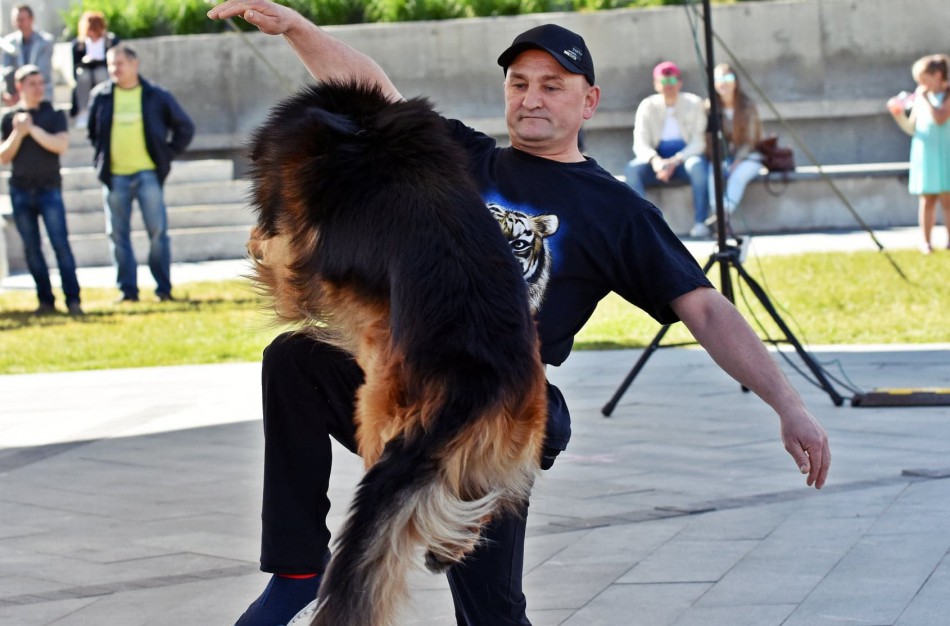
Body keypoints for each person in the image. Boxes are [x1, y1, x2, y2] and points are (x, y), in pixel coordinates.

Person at [207, 4, 832, 625]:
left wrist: (789, 405)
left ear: (588, 103)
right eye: (519, 84)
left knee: (493, 614)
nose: (531, 99)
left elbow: (706, 308)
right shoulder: (461, 157)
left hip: (494, 408)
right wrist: (297, 29)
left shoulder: (617, 212)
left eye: (552, 86)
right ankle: (296, 569)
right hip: (403, 383)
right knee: (294, 358)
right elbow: (371, 87)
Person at [87, 42, 195, 303]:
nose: (114, 69)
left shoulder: (156, 95)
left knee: (158, 234)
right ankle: (127, 292)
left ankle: (163, 290)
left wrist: (166, 154)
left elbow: (185, 127)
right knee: (118, 236)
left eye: (119, 63)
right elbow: (93, 132)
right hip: (115, 177)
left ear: (134, 64)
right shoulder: (100, 95)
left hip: (148, 175)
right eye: (111, 64)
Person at [0, 64, 82, 315]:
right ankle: (45, 300)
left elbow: (60, 145)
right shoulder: (9, 119)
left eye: (40, 83)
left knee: (61, 245)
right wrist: (18, 132)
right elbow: (3, 156)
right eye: (32, 84)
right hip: (21, 191)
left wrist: (32, 129)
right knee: (32, 249)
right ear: (20, 87)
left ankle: (73, 300)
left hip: (49, 190)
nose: (39, 88)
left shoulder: (54, 114)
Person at [624, 60, 710, 238]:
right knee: (632, 170)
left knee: (698, 167)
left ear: (679, 82)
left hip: (684, 158)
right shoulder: (647, 105)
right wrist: (655, 161)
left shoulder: (694, 103)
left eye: (672, 81)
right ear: (656, 84)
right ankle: (645, 226)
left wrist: (676, 160)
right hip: (657, 158)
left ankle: (701, 222)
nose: (668, 86)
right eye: (663, 82)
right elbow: (640, 142)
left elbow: (699, 143)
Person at [886, 53, 950, 254]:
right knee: (927, 198)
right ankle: (926, 242)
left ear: (938, 75)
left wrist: (926, 100)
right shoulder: (922, 98)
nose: (921, 85)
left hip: (945, 151)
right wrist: (898, 116)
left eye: (924, 80)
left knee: (947, 199)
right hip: (926, 153)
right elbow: (912, 127)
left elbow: (940, 118)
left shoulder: (946, 96)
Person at [705, 62, 764, 226]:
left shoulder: (747, 106)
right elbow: (708, 138)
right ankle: (720, 215)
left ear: (736, 81)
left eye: (728, 77)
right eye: (719, 78)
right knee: (713, 173)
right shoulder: (710, 107)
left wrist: (737, 161)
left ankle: (722, 216)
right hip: (722, 157)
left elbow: (751, 140)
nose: (723, 82)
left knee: (737, 177)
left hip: (749, 156)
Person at [70, 10, 119, 130]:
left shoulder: (110, 41)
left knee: (101, 75)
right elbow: (75, 66)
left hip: (103, 70)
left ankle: (105, 109)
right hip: (85, 70)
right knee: (83, 75)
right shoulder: (79, 44)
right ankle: (83, 112)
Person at [1, 4, 54, 105]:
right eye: (16, 20)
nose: (19, 23)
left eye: (22, 19)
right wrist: (7, 91)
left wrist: (23, 90)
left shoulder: (45, 41)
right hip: (17, 96)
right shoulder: (9, 42)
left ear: (31, 19)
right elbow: (5, 69)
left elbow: (42, 72)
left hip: (40, 96)